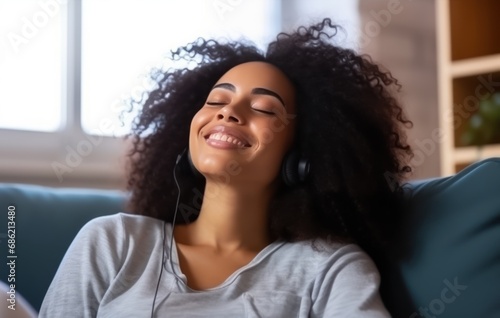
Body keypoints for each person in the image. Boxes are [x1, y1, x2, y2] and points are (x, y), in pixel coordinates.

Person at [40, 18, 413, 317]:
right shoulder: (112, 243)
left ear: (304, 154)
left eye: (265, 109)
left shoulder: (328, 269)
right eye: (217, 100)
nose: (228, 112)